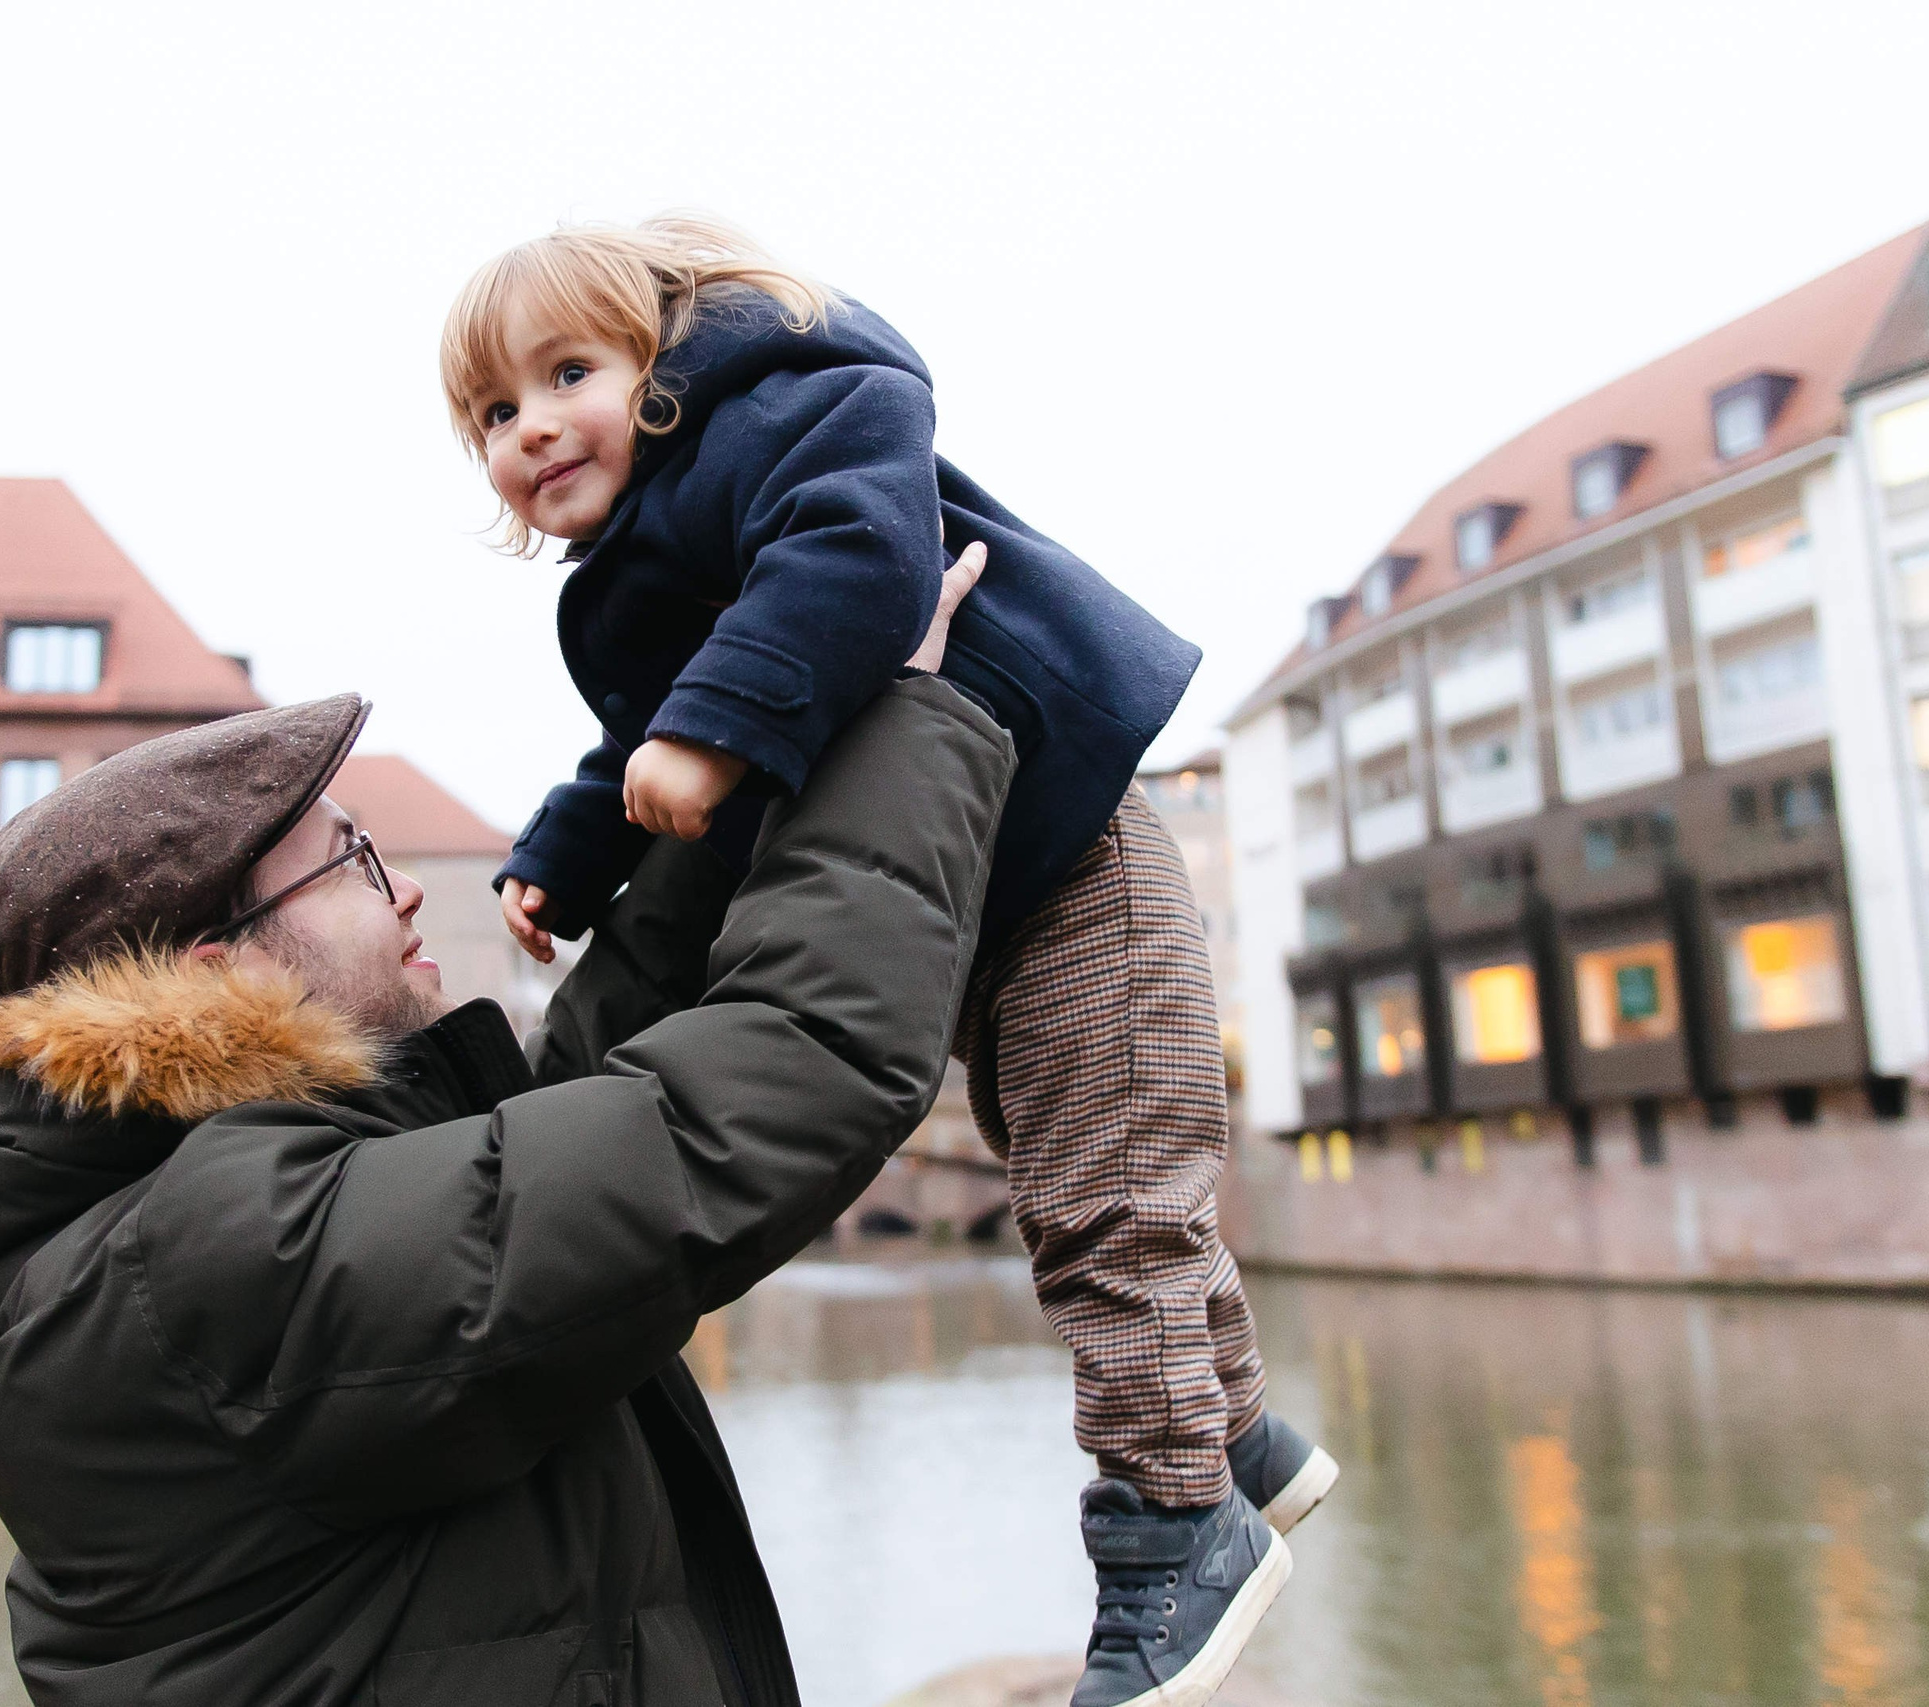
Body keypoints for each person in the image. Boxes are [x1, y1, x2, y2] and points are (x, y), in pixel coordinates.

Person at [441, 213, 1337, 1707]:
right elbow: (640, 737)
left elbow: (852, 559)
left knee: (1111, 1184)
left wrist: (699, 732)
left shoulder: (797, 408)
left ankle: (1177, 1521)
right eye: (491, 413)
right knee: (1074, 1172)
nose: (531, 427)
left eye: (567, 372)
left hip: (1065, 832)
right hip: (976, 886)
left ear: (661, 362)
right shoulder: (630, 568)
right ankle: (1237, 1433)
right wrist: (566, 848)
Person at [0, 565, 1010, 1706]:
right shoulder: (212, 1267)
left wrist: (738, 770)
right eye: (351, 859)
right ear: (219, 972)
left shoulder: (179, 1218)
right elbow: (757, 1100)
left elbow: (564, 1115)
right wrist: (907, 727)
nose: (400, 889)